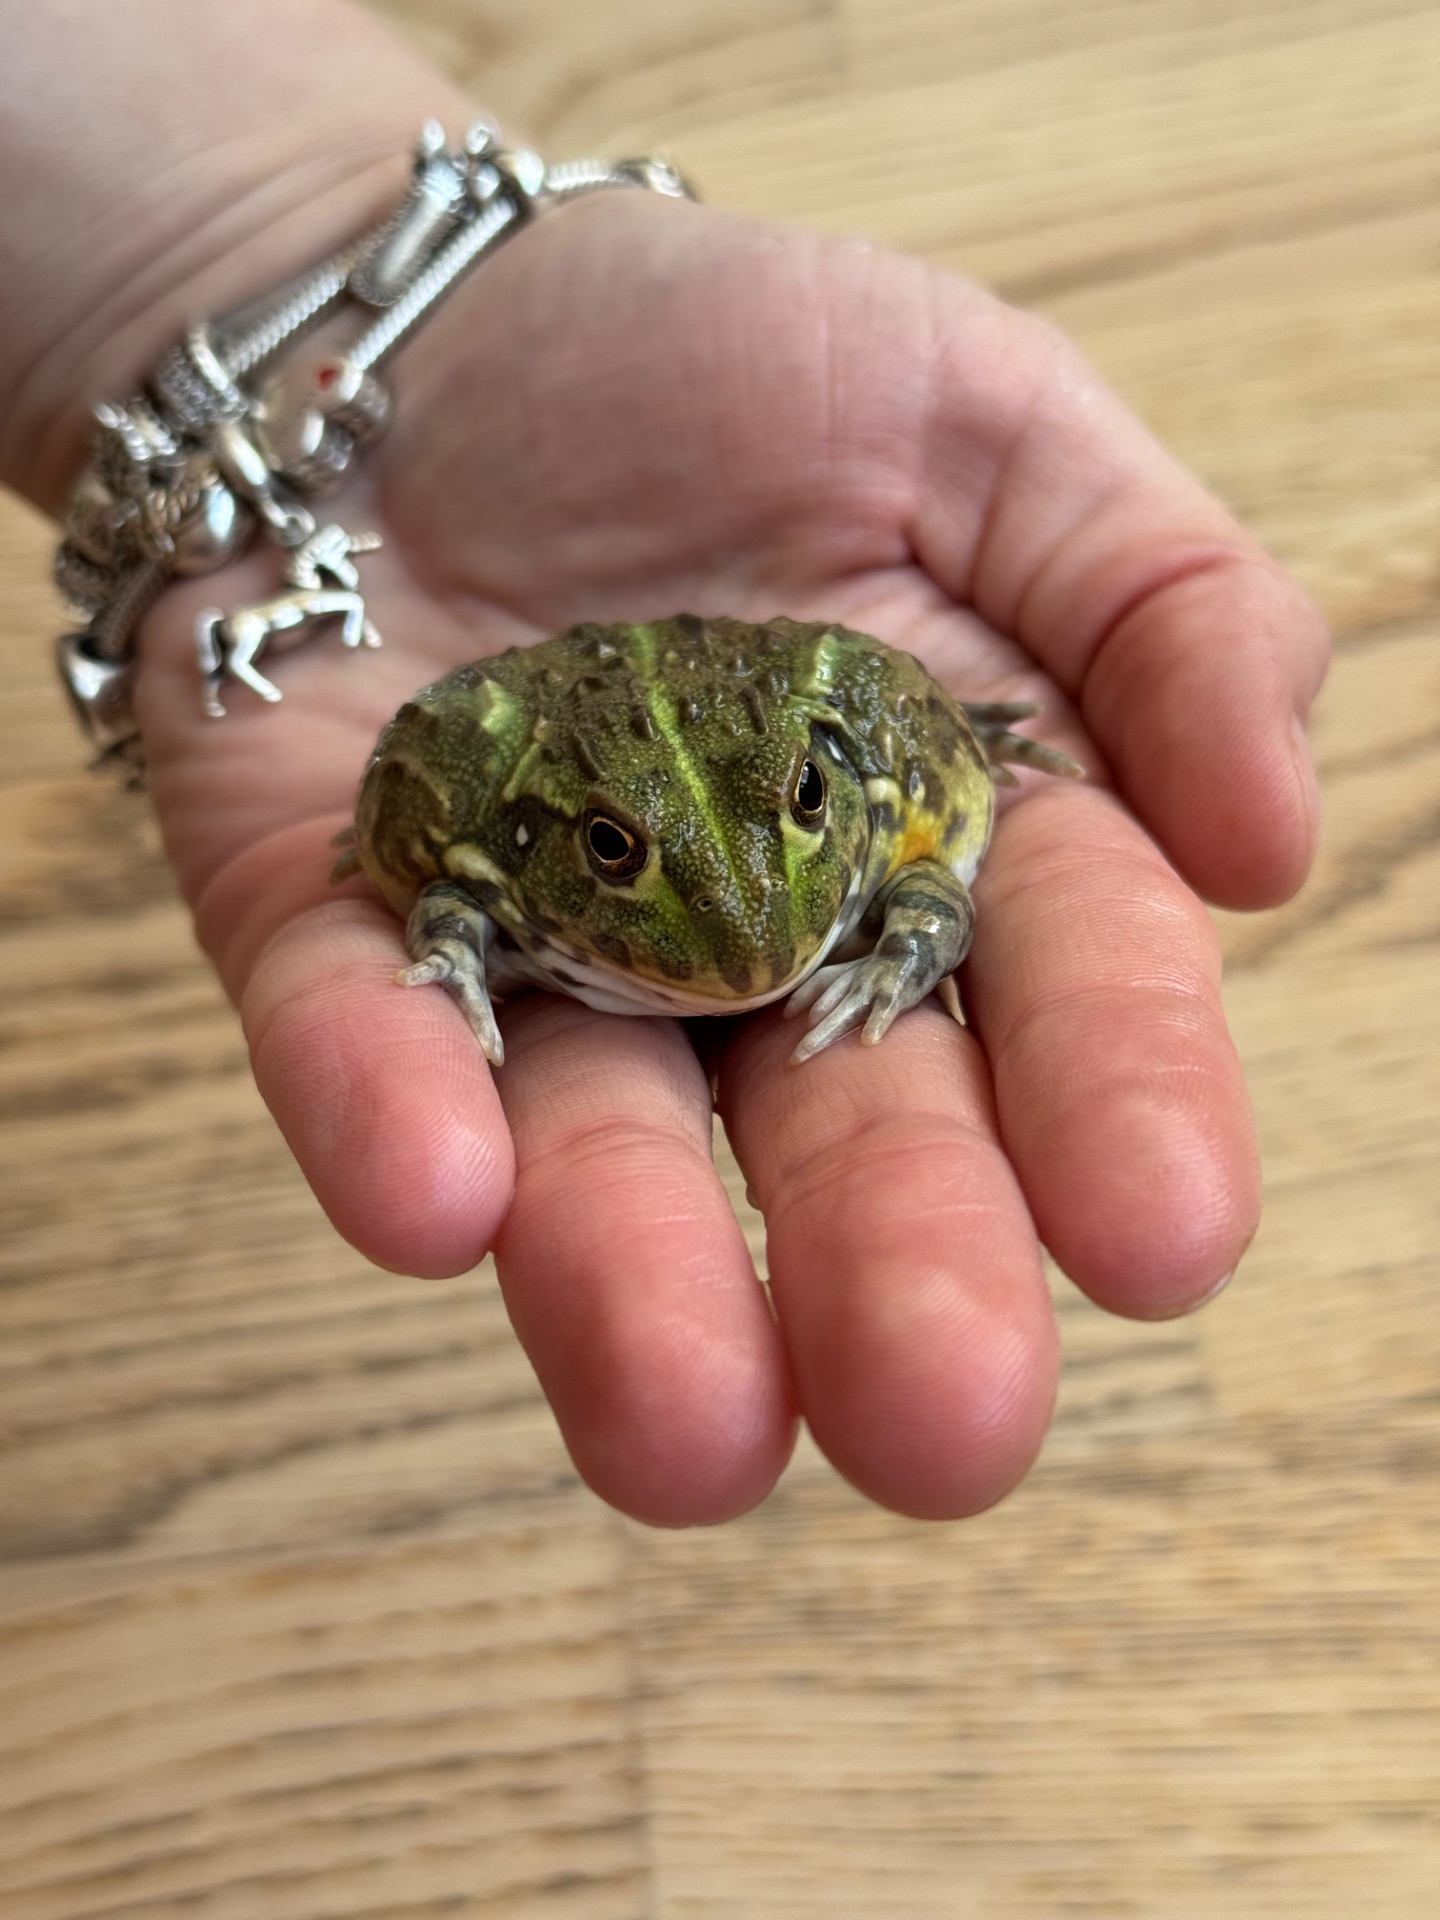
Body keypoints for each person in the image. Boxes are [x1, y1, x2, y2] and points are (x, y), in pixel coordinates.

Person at [0, 0, 1327, 1527]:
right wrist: (446, 937)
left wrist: (904, 924)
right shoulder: (506, 819)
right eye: (622, 854)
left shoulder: (845, 751)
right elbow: (443, 867)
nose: (747, 921)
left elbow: (921, 853)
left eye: (806, 810)